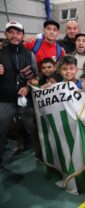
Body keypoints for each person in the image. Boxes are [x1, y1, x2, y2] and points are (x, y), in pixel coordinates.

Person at [0, 21, 39, 169]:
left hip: (25, 99)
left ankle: (41, 156)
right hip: (4, 100)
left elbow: (35, 76)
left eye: (18, 32)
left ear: (23, 35)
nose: (15, 36)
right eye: (11, 32)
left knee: (33, 129)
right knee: (0, 130)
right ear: (6, 34)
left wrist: (28, 88)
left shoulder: (30, 54)